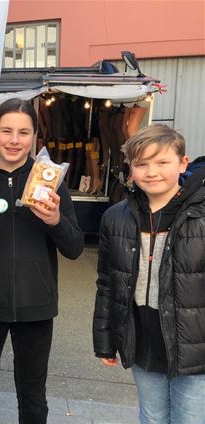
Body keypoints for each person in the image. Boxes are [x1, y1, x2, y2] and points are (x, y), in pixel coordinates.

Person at [0, 98, 84, 424]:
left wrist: (55, 220)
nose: (14, 140)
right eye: (6, 131)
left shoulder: (49, 179)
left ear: (34, 137)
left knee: (32, 394)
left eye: (23, 132)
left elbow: (74, 248)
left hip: (36, 307)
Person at [93, 125, 205, 424]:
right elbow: (107, 283)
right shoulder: (115, 217)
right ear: (131, 169)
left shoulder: (200, 215)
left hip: (194, 345)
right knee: (152, 417)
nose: (152, 172)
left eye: (162, 162)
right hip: (142, 338)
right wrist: (105, 339)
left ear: (183, 163)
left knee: (190, 418)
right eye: (142, 164)